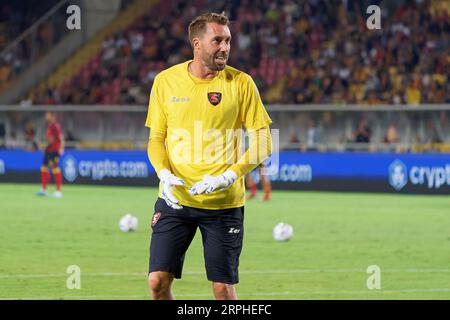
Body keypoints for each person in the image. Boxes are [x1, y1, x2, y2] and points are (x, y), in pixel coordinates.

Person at [145, 12, 272, 300]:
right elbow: (156, 139)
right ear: (197, 44)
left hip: (223, 205)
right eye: (217, 40)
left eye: (228, 40)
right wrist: (164, 175)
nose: (225, 47)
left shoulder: (242, 84)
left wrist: (228, 177)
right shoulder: (166, 82)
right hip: (175, 201)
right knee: (157, 282)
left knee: (222, 288)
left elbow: (264, 141)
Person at [36, 111, 65, 198]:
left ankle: (58, 191)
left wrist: (61, 147)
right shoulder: (50, 126)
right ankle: (44, 190)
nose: (46, 117)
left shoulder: (54, 126)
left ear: (52, 116)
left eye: (48, 115)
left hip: (53, 151)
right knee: (44, 168)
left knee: (55, 168)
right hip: (48, 151)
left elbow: (57, 138)